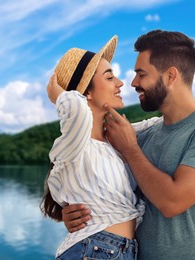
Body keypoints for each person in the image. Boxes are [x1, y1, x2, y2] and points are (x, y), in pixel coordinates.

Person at [61, 30, 195, 260]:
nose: (133, 82)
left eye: (141, 74)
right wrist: (71, 214)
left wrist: (131, 150)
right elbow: (93, 170)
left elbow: (172, 201)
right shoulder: (144, 135)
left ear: (170, 76)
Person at [41, 35, 155, 259]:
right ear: (87, 93)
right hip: (95, 249)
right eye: (109, 77)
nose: (120, 83)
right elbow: (75, 108)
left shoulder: (113, 141)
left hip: (118, 251)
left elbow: (162, 123)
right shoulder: (76, 142)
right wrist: (59, 95)